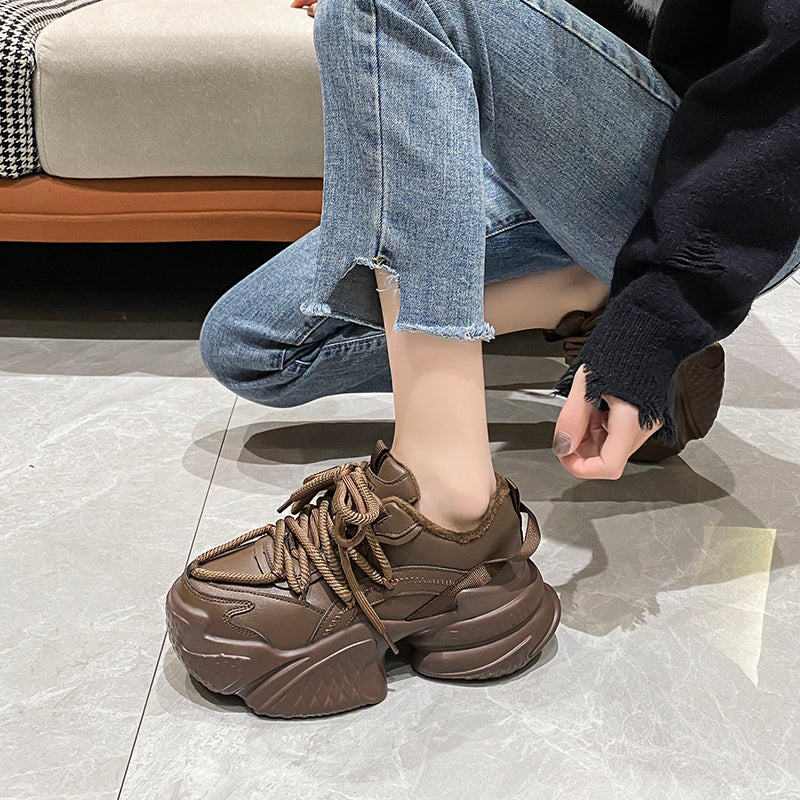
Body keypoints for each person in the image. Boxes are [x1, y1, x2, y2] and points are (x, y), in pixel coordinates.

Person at [164, 0, 800, 718]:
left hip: (739, 169)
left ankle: (448, 507)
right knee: (252, 350)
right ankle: (586, 298)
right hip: (587, 141)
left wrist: (664, 309)